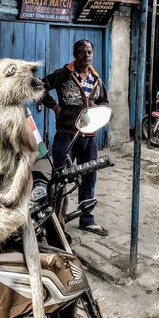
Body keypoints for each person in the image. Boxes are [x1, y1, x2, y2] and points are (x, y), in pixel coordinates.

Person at [41, 39, 109, 236]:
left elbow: (104, 100)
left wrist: (102, 113)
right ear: (75, 55)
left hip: (90, 137)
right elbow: (40, 87)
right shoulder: (64, 74)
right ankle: (54, 221)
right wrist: (55, 107)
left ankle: (86, 219)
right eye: (81, 52)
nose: (86, 55)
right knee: (60, 178)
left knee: (89, 176)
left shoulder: (96, 78)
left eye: (89, 52)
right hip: (66, 135)